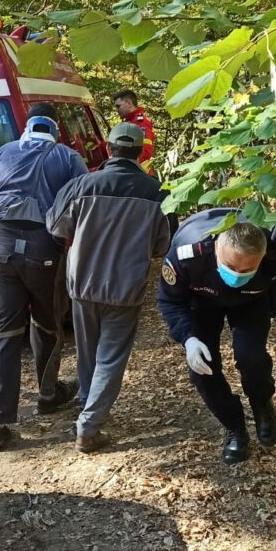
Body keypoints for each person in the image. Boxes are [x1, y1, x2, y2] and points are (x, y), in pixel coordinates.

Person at [157, 209, 276, 465]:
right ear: (217, 249)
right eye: (231, 266)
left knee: (252, 358)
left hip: (251, 301)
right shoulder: (188, 254)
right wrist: (187, 338)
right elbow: (169, 300)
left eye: (247, 268)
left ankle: (262, 405)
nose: (237, 274)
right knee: (202, 369)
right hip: (201, 300)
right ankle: (234, 427)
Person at [47, 122, 170, 453]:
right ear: (140, 151)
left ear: (109, 147)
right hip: (125, 287)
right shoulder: (157, 193)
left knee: (88, 352)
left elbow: (56, 228)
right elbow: (161, 246)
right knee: (111, 357)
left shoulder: (81, 185)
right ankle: (89, 425)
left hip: (82, 283)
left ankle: (90, 405)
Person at [0, 102, 88, 450]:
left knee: (5, 333)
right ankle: (47, 394)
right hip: (44, 251)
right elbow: (81, 208)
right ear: (55, 127)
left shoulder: (3, 153)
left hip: (4, 251)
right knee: (46, 324)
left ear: (27, 125)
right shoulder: (68, 158)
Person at [112, 90, 156, 173]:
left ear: (128, 103)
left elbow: (146, 151)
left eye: (118, 106)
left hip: (139, 173)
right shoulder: (131, 122)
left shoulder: (140, 122)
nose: (117, 110)